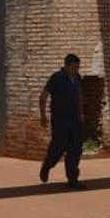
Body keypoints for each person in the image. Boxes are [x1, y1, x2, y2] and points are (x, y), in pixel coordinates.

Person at [39, 53, 87, 189]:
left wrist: (81, 113)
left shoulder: (77, 78)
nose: (76, 70)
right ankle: (47, 165)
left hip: (75, 120)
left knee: (75, 150)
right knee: (58, 148)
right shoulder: (56, 78)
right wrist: (43, 116)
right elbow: (43, 96)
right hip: (60, 120)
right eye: (73, 67)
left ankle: (72, 180)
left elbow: (79, 95)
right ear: (66, 66)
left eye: (78, 67)